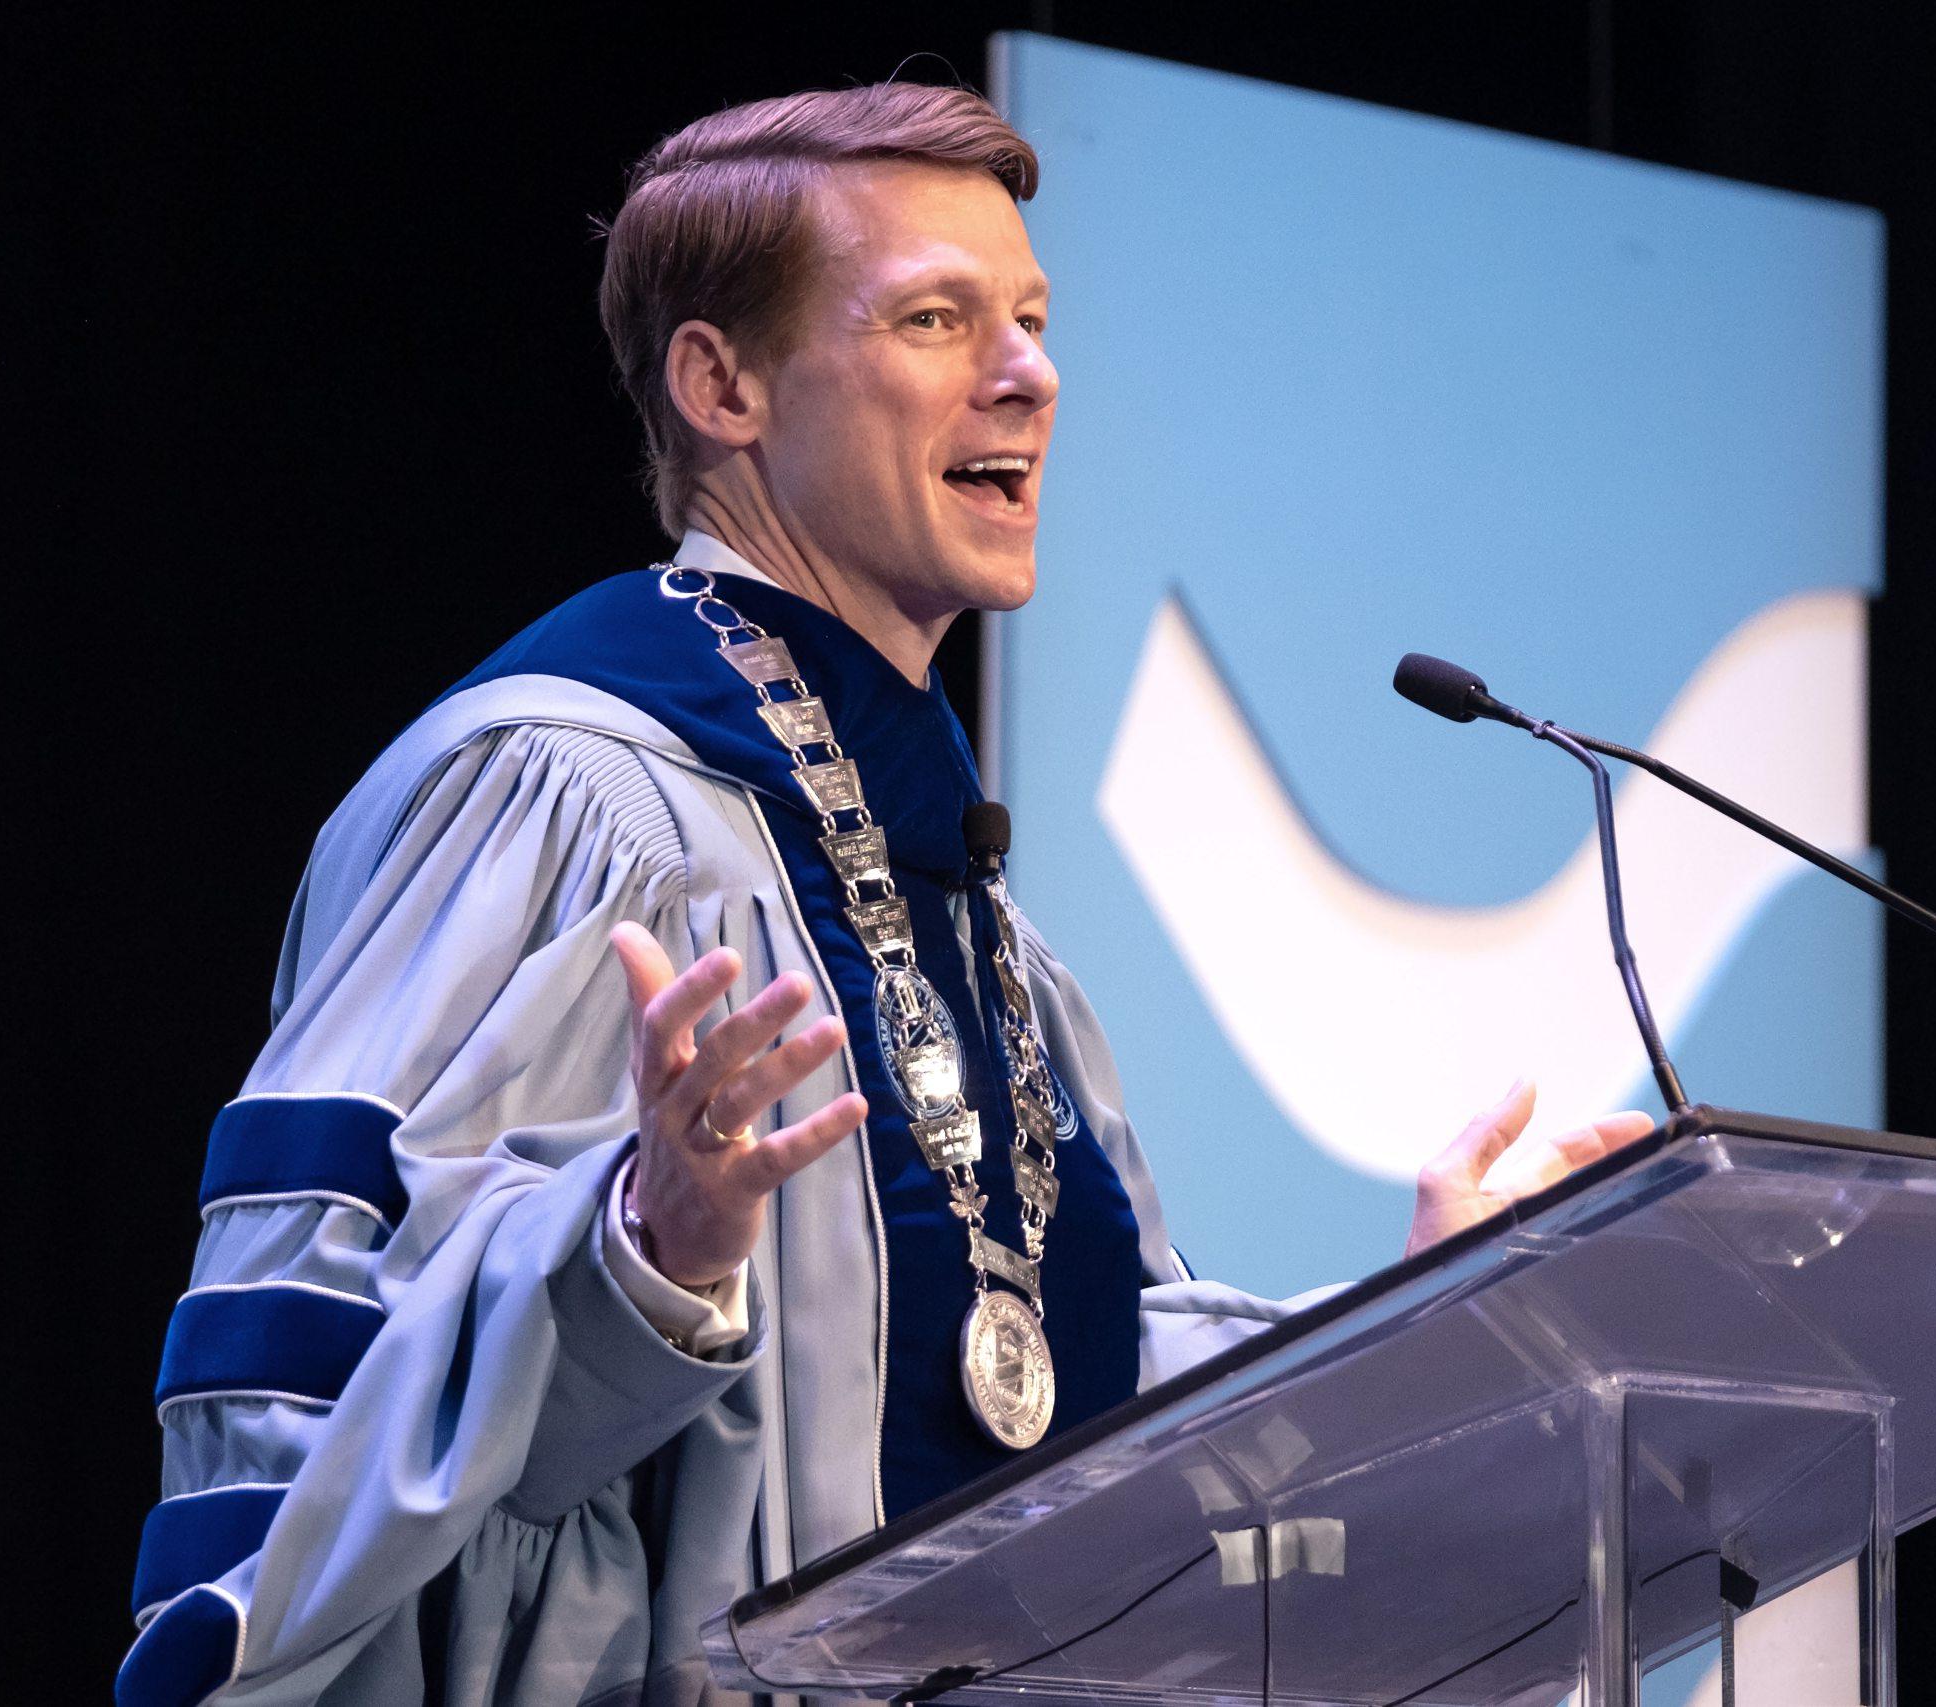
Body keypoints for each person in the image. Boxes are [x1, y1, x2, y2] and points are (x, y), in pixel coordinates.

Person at [118, 83, 1653, 1707]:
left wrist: (1425, 1324)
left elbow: (1077, 1424)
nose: (1030, 374)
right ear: (723, 383)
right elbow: (313, 1378)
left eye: (1035, 320)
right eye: (936, 316)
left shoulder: (992, 943)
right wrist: (649, 1253)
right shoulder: (565, 798)